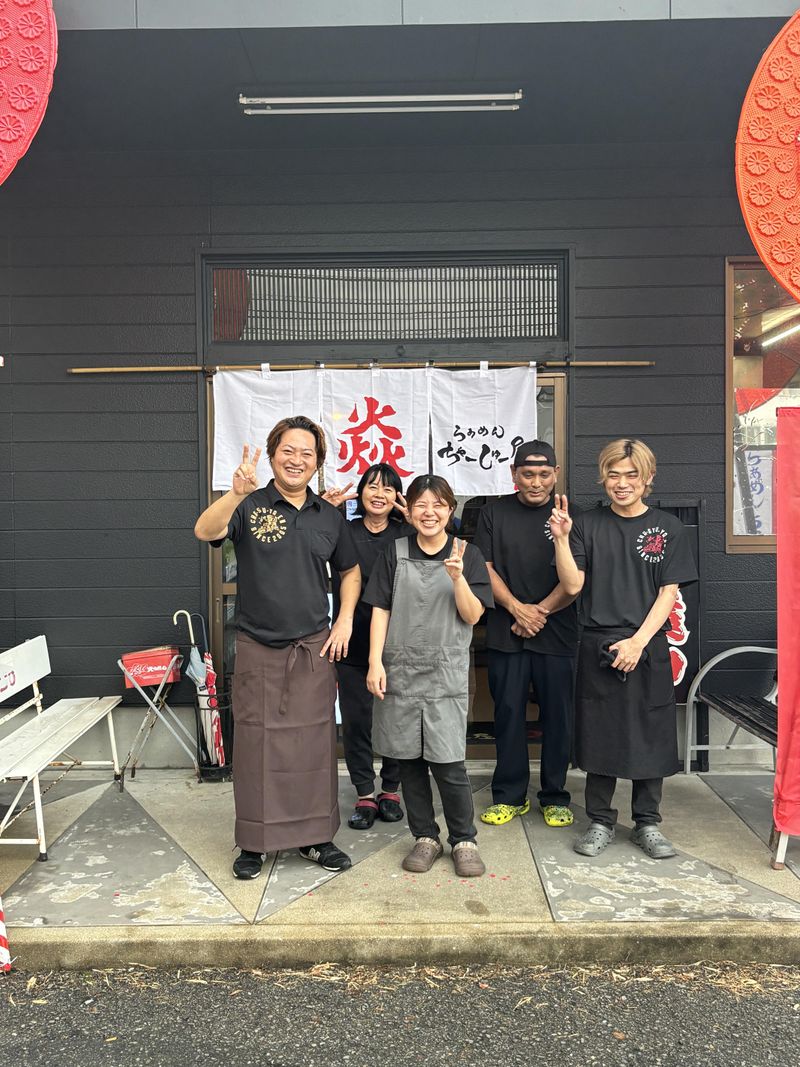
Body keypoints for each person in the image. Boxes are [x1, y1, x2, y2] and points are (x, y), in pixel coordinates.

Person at [194, 415, 361, 880]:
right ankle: (254, 841)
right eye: (288, 450)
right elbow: (204, 532)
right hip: (258, 647)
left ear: (318, 463)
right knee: (256, 745)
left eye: (307, 453)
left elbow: (350, 571)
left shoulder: (329, 516)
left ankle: (316, 838)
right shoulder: (249, 504)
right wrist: (234, 494)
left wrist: (344, 620)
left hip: (313, 648)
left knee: (313, 745)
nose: (297, 460)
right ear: (272, 456)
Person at [549, 438, 698, 859]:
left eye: (631, 475)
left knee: (651, 732)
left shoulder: (667, 527)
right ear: (603, 477)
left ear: (647, 478)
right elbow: (573, 585)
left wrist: (638, 641)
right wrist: (561, 539)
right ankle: (600, 820)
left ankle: (647, 823)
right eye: (613, 474)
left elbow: (668, 592)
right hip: (598, 642)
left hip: (647, 642)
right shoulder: (587, 525)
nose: (621, 483)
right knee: (601, 733)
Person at [364, 474, 494, 878]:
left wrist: (457, 577)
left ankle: (464, 840)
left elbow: (473, 615)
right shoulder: (394, 552)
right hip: (400, 670)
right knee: (408, 761)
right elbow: (380, 609)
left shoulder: (467, 554)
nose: (429, 512)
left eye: (438, 505)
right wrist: (374, 662)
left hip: (445, 673)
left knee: (449, 763)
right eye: (421, 504)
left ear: (450, 510)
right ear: (410, 510)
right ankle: (425, 837)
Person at [473, 440, 579, 830]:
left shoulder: (570, 515)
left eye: (544, 474)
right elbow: (483, 567)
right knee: (508, 714)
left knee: (558, 718)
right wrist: (517, 609)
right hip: (507, 631)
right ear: (514, 474)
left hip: (558, 633)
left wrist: (538, 612)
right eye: (528, 474)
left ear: (555, 474)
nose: (536, 482)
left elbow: (576, 579)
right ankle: (509, 795)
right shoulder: (493, 513)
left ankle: (555, 796)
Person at [327, 464, 412, 830]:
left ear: (397, 497)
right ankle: (364, 793)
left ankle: (391, 790)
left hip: (398, 640)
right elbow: (310, 544)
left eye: (388, 489)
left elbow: (444, 550)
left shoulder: (405, 534)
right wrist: (327, 509)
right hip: (351, 638)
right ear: (360, 493)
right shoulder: (343, 530)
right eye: (372, 487)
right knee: (357, 720)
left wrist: (414, 522)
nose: (379, 494)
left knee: (395, 718)